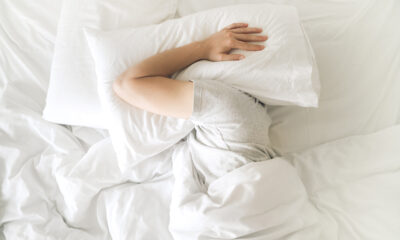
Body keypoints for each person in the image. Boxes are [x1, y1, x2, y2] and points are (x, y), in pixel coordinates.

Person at [113, 22, 275, 189]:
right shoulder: (229, 112)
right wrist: (204, 48)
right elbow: (126, 85)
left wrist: (204, 48)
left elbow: (126, 84)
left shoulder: (230, 113)